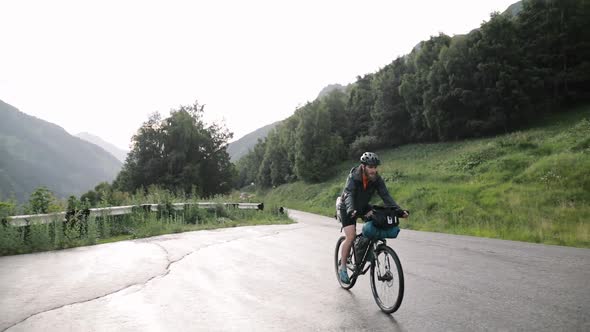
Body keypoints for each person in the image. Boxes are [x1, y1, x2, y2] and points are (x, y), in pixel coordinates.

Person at [337, 151, 409, 284]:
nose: (373, 170)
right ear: (363, 166)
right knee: (351, 236)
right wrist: (351, 209)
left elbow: (386, 196)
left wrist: (399, 212)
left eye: (375, 167)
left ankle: (365, 248)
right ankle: (342, 267)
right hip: (347, 207)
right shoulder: (354, 177)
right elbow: (349, 194)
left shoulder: (376, 179)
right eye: (370, 167)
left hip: (363, 206)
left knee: (378, 221)